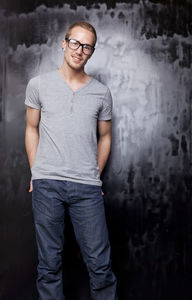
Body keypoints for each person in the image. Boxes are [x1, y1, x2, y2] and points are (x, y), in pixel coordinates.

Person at [24, 21, 118, 300]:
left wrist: (95, 175)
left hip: (87, 188)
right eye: (75, 43)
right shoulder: (38, 84)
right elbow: (31, 128)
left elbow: (106, 137)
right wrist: (35, 172)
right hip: (47, 185)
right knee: (49, 266)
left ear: (91, 52)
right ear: (64, 43)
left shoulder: (101, 92)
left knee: (100, 266)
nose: (80, 50)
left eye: (87, 46)